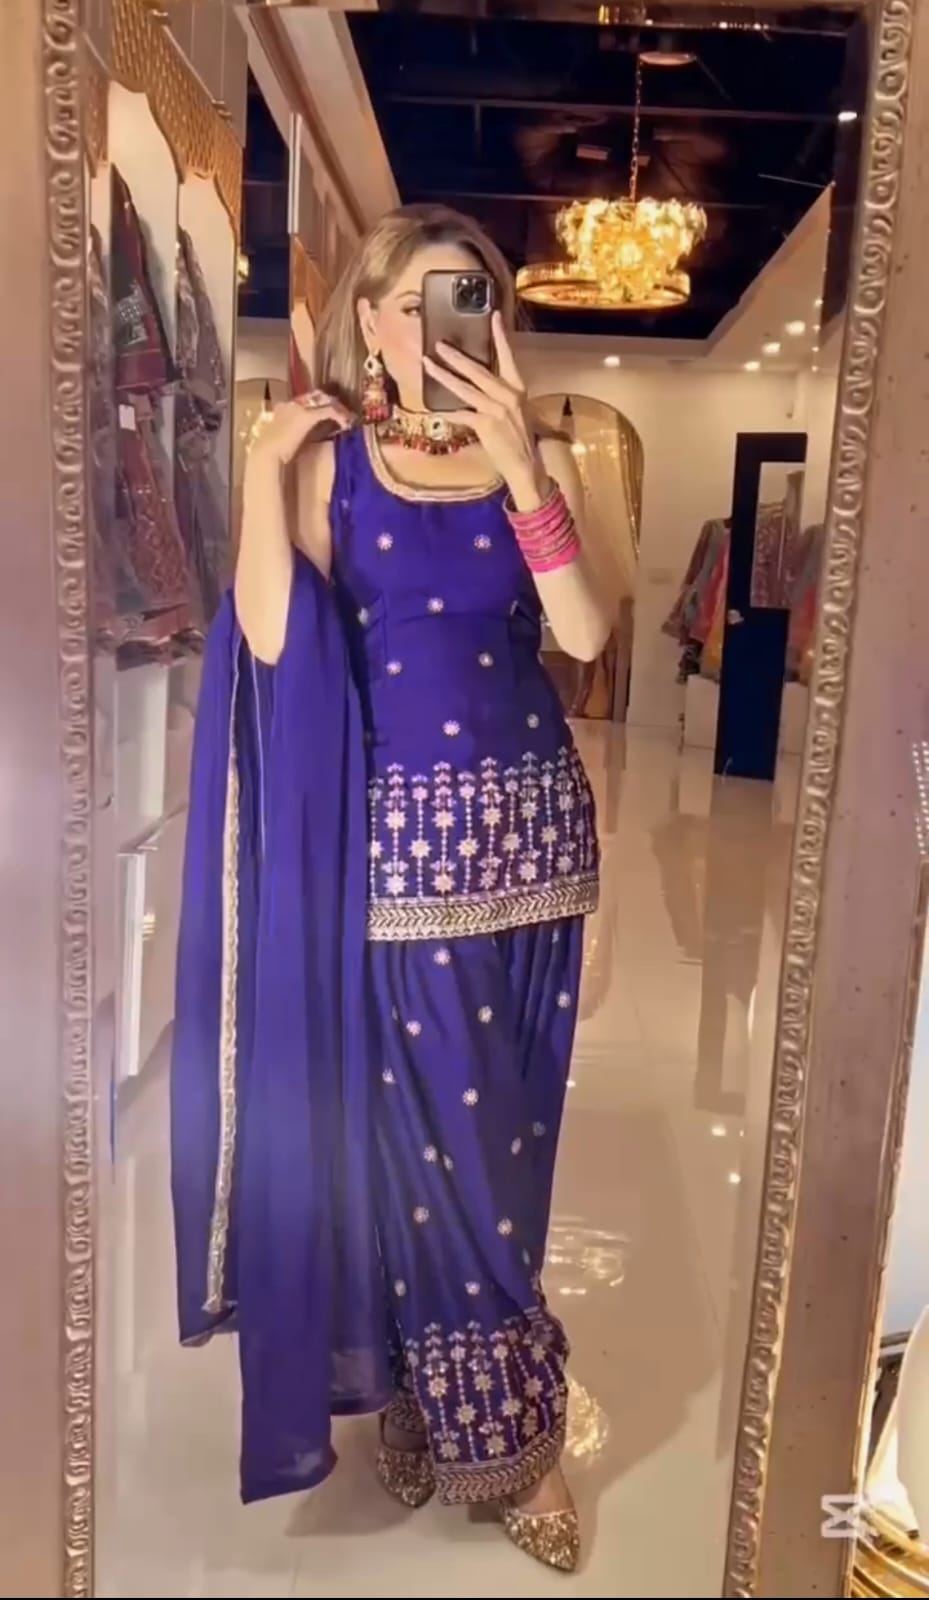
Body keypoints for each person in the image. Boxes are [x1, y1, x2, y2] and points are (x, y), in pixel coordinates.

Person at [171, 204, 609, 1574]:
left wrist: (521, 466)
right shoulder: (331, 467)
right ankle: (500, 1429)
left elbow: (584, 631)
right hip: (400, 865)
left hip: (538, 858)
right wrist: (261, 468)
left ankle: (448, 1398)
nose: (444, 325)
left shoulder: (541, 454)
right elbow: (267, 636)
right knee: (428, 1156)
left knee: (508, 1157)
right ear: (371, 322)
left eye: (471, 297)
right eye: (419, 301)